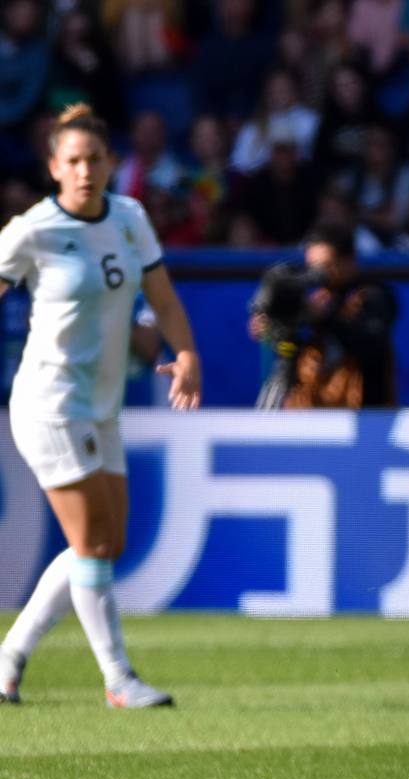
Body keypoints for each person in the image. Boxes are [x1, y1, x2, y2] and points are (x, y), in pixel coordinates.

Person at [0, 104, 202, 707]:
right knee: (92, 544)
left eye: (95, 159)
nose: (85, 170)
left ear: (112, 164)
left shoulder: (130, 216)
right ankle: (118, 679)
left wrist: (186, 353)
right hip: (50, 402)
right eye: (73, 161)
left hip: (102, 404)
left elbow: (161, 299)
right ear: (54, 168)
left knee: (103, 544)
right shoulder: (31, 230)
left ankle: (8, 659)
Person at [251, 221, 398, 409]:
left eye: (326, 266)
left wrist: (328, 316)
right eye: (312, 267)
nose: (318, 275)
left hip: (365, 415)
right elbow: (290, 348)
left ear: (349, 261)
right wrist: (275, 325)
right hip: (306, 412)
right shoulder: (307, 295)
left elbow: (371, 344)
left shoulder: (374, 295)